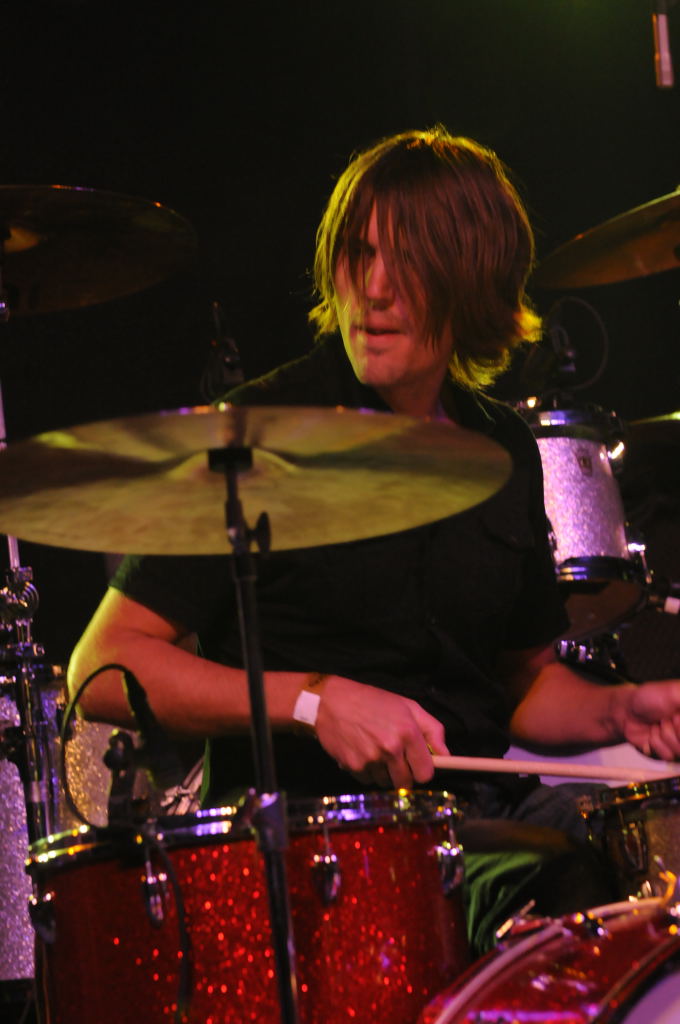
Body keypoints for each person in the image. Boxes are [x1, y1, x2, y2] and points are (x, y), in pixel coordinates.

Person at [68, 126, 680, 953]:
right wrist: (314, 701)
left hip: (478, 821)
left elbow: (522, 683)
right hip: (312, 839)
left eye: (411, 262)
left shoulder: (501, 447)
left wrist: (619, 709)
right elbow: (104, 666)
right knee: (559, 876)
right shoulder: (256, 435)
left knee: (631, 894)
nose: (375, 289)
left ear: (474, 279)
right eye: (358, 255)